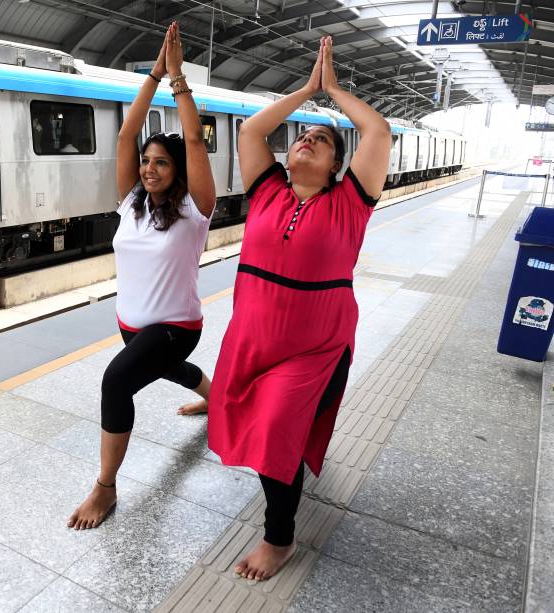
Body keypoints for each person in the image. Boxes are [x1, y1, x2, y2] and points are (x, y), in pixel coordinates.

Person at [208, 36, 391, 580]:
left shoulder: (350, 204)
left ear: (338, 166)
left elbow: (377, 131)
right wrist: (303, 92)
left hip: (314, 346)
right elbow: (251, 130)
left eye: (322, 140)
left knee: (275, 432)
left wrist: (331, 90)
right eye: (303, 137)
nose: (307, 140)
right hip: (253, 336)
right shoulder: (267, 191)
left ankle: (278, 539)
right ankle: (291, 487)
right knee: (266, 426)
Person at [67, 22, 216, 530]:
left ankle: (105, 489)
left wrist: (177, 81)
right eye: (146, 162)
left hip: (176, 326)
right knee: (162, 369)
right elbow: (127, 134)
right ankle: (218, 401)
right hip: (130, 322)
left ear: (179, 171)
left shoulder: (197, 211)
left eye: (161, 163)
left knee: (117, 382)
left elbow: (194, 137)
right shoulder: (130, 203)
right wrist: (151, 73)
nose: (150, 168)